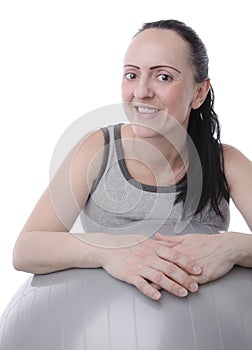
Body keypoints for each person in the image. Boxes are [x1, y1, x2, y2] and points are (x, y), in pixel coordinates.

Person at [13, 19, 252, 301]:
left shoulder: (226, 163)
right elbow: (26, 249)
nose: (141, 92)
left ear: (198, 92)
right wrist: (109, 248)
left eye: (163, 76)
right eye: (131, 75)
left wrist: (235, 245)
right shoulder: (97, 150)